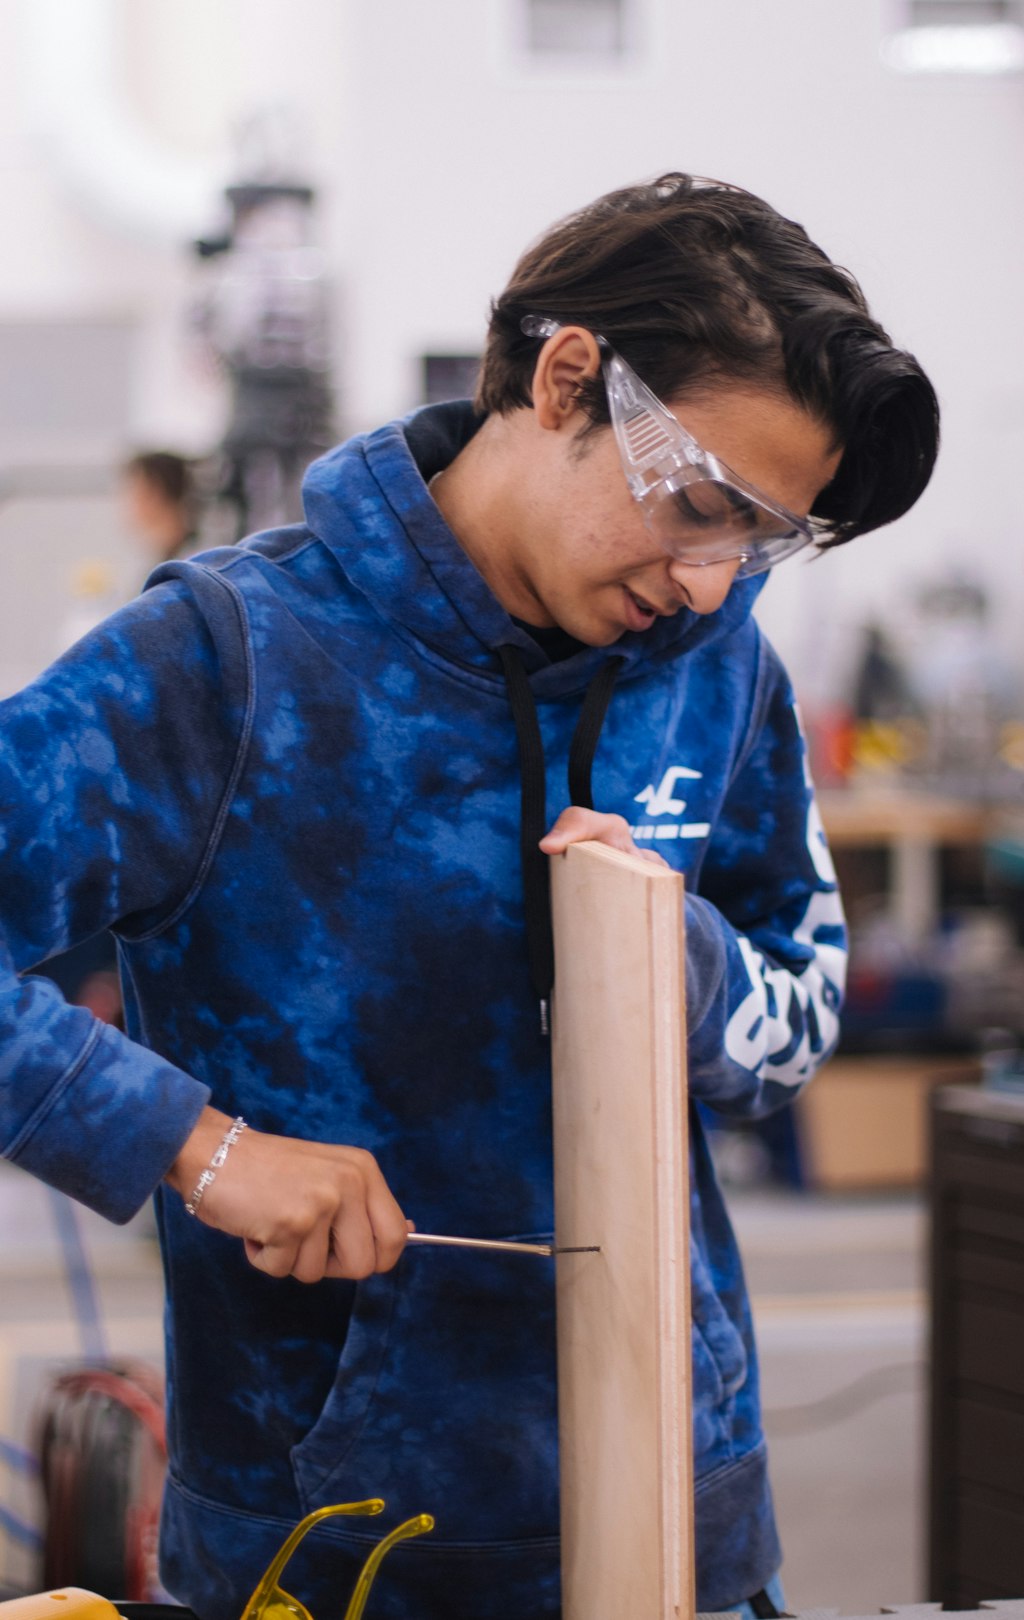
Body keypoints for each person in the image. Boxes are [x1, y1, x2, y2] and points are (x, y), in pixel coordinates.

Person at [0, 174, 939, 1619]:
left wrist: (675, 964)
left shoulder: (718, 671)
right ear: (570, 378)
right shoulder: (231, 663)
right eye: (699, 504)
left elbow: (800, 1014)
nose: (706, 584)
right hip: (337, 1545)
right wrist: (199, 1146)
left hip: (689, 1516)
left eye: (755, 542)